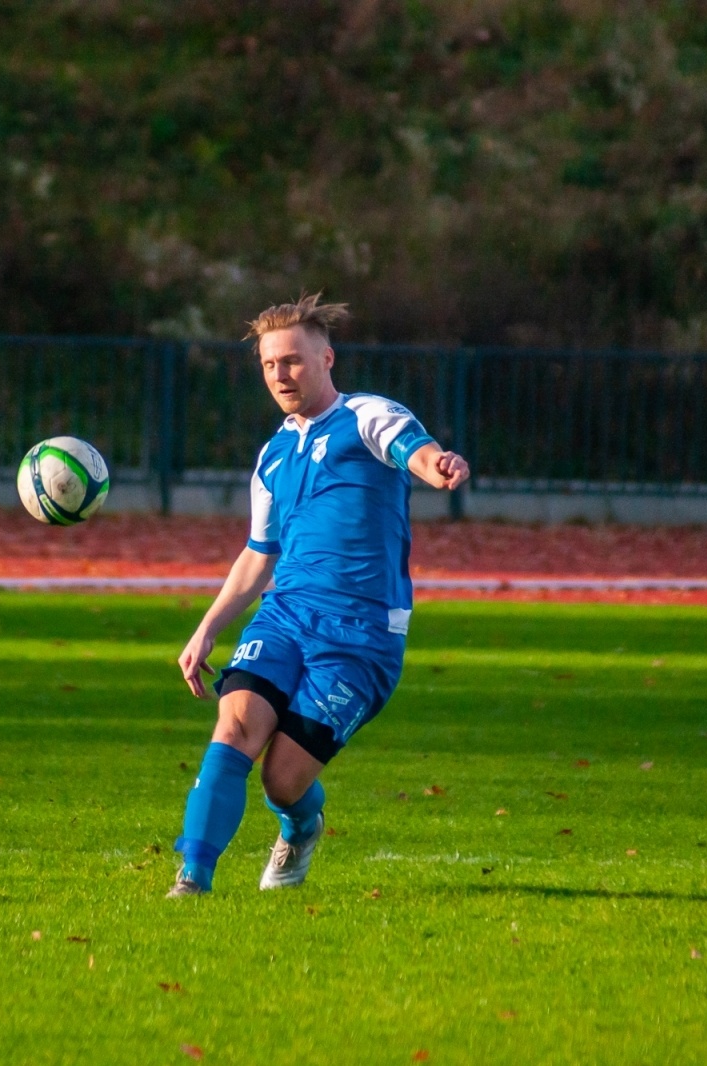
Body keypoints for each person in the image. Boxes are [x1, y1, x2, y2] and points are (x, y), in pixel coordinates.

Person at [168, 294, 470, 897]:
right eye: (269, 365)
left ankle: (301, 826)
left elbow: (412, 449)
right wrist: (207, 627)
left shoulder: (366, 416)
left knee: (282, 780)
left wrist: (437, 464)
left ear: (326, 358)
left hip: (360, 639)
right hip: (284, 619)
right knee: (234, 730)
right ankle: (192, 881)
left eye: (293, 361)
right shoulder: (272, 456)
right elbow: (259, 554)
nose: (280, 374)